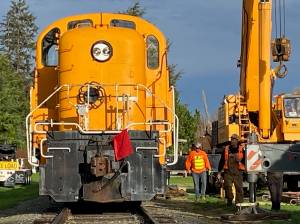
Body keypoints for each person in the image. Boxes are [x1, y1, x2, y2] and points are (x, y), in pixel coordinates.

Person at [218, 134, 245, 206]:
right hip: (228, 172)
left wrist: (241, 161)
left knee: (239, 188)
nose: (232, 141)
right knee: (227, 187)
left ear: (237, 141)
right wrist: (219, 172)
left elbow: (246, 160)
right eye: (232, 139)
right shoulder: (226, 149)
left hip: (238, 172)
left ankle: (239, 203)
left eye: (234, 139)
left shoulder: (241, 149)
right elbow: (222, 161)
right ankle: (229, 200)